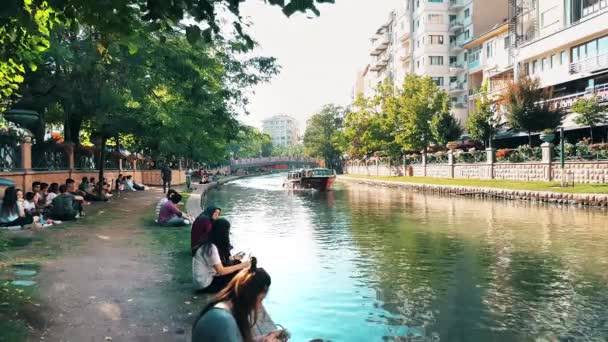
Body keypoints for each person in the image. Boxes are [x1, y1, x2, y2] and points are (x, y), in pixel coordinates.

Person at [192, 258, 285, 342]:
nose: (259, 306)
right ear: (248, 295)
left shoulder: (225, 310)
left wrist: (263, 339)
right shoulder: (223, 320)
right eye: (260, 299)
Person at [192, 218, 248, 293]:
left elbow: (217, 262)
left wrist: (234, 258)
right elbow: (221, 271)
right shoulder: (211, 248)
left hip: (204, 281)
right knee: (240, 272)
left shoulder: (208, 243)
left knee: (236, 263)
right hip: (206, 285)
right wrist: (243, 265)